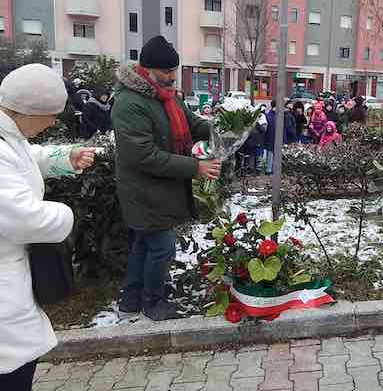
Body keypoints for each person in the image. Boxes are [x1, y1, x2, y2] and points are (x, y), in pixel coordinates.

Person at [0, 64, 96, 390]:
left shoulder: (8, 134)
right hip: (4, 292)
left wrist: (63, 158)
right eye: (51, 115)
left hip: (11, 280)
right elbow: (26, 219)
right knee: (14, 374)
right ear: (28, 111)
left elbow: (26, 156)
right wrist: (66, 214)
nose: (54, 122)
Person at [112, 36, 220, 321]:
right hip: (143, 190)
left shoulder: (166, 96)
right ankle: (154, 303)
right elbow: (143, 155)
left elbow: (191, 123)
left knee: (143, 245)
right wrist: (195, 167)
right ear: (146, 69)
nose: (173, 77)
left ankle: (132, 300)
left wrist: (224, 131)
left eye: (174, 70)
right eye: (167, 72)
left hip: (158, 188)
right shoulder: (130, 102)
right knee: (162, 247)